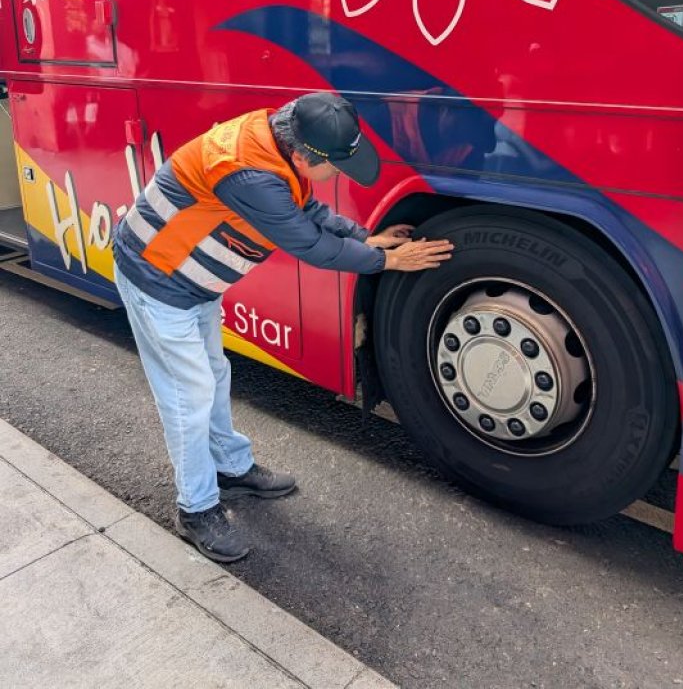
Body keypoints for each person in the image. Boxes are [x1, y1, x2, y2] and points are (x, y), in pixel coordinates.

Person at [112, 92, 453, 562]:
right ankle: (196, 508)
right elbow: (312, 245)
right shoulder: (249, 174)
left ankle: (230, 468)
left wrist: (364, 237)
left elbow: (306, 210)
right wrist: (387, 259)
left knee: (214, 377)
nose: (337, 174)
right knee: (187, 397)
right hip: (158, 281)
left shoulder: (279, 137)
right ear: (301, 154)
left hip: (193, 283)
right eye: (334, 166)